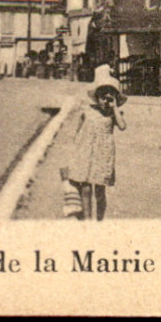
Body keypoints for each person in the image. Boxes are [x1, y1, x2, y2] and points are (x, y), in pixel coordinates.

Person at [60, 64, 126, 221]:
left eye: (109, 98)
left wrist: (115, 107)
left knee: (100, 191)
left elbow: (122, 126)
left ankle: (99, 220)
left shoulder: (113, 114)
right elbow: (78, 132)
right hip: (86, 153)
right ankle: (87, 221)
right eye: (102, 97)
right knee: (86, 189)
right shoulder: (87, 110)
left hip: (103, 155)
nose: (105, 101)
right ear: (97, 97)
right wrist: (75, 154)